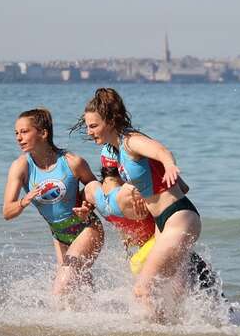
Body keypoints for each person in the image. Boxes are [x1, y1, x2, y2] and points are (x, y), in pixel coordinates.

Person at [70, 88, 203, 321]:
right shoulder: (116, 150)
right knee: (167, 290)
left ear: (110, 121)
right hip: (164, 223)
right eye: (87, 126)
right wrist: (150, 188)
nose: (89, 132)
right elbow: (183, 187)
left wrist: (169, 165)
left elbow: (162, 150)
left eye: (93, 126)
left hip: (178, 217)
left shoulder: (131, 141)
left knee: (143, 290)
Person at [3, 108, 104, 297]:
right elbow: (7, 212)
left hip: (87, 228)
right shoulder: (21, 166)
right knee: (77, 291)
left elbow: (96, 188)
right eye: (16, 133)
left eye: (24, 132)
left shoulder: (72, 162)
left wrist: (87, 204)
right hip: (59, 236)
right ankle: (102, 319)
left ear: (43, 133)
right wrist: (24, 200)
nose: (18, 137)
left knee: (60, 289)